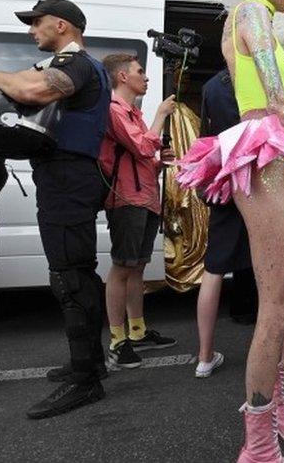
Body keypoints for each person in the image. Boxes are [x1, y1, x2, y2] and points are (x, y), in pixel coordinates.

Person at [174, 0, 284, 460]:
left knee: (280, 306)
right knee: (278, 306)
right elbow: (278, 99)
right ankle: (257, 446)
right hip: (261, 157)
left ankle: (277, 416)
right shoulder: (251, 13)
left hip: (266, 157)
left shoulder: (251, 20)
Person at [0, 0, 111, 419]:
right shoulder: (69, 62)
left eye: (36, 23)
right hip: (65, 174)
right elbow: (29, 78)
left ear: (61, 24)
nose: (31, 31)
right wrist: (12, 78)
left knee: (71, 275)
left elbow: (32, 89)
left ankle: (85, 379)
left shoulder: (77, 63)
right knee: (73, 271)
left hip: (69, 176)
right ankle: (87, 363)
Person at [98, 54, 178, 371]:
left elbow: (143, 156)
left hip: (145, 197)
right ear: (121, 76)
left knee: (138, 267)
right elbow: (144, 147)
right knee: (122, 267)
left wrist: (161, 161)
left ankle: (137, 330)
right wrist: (160, 116)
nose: (145, 77)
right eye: (140, 72)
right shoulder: (114, 110)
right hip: (127, 200)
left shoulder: (133, 113)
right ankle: (117, 342)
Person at [194, 68, 258, 378]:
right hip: (261, 181)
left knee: (214, 269)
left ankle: (205, 356)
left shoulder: (210, 86)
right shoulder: (262, 76)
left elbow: (206, 139)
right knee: (272, 266)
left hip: (225, 181)